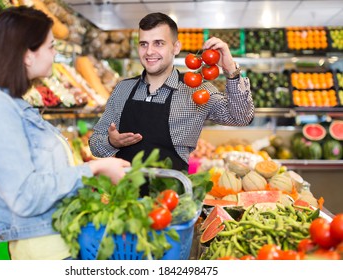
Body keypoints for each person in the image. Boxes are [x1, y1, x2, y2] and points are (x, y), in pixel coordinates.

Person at [0, 6, 130, 260]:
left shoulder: (17, 106)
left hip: (61, 243)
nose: (54, 54)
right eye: (51, 46)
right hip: (43, 253)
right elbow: (24, 196)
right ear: (27, 55)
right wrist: (94, 169)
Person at [89, 12, 254, 172]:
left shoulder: (197, 91)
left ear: (176, 47)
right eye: (143, 44)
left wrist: (231, 70)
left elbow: (241, 117)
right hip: (125, 195)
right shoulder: (123, 89)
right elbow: (95, 145)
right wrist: (111, 142)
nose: (149, 51)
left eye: (158, 43)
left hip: (173, 195)